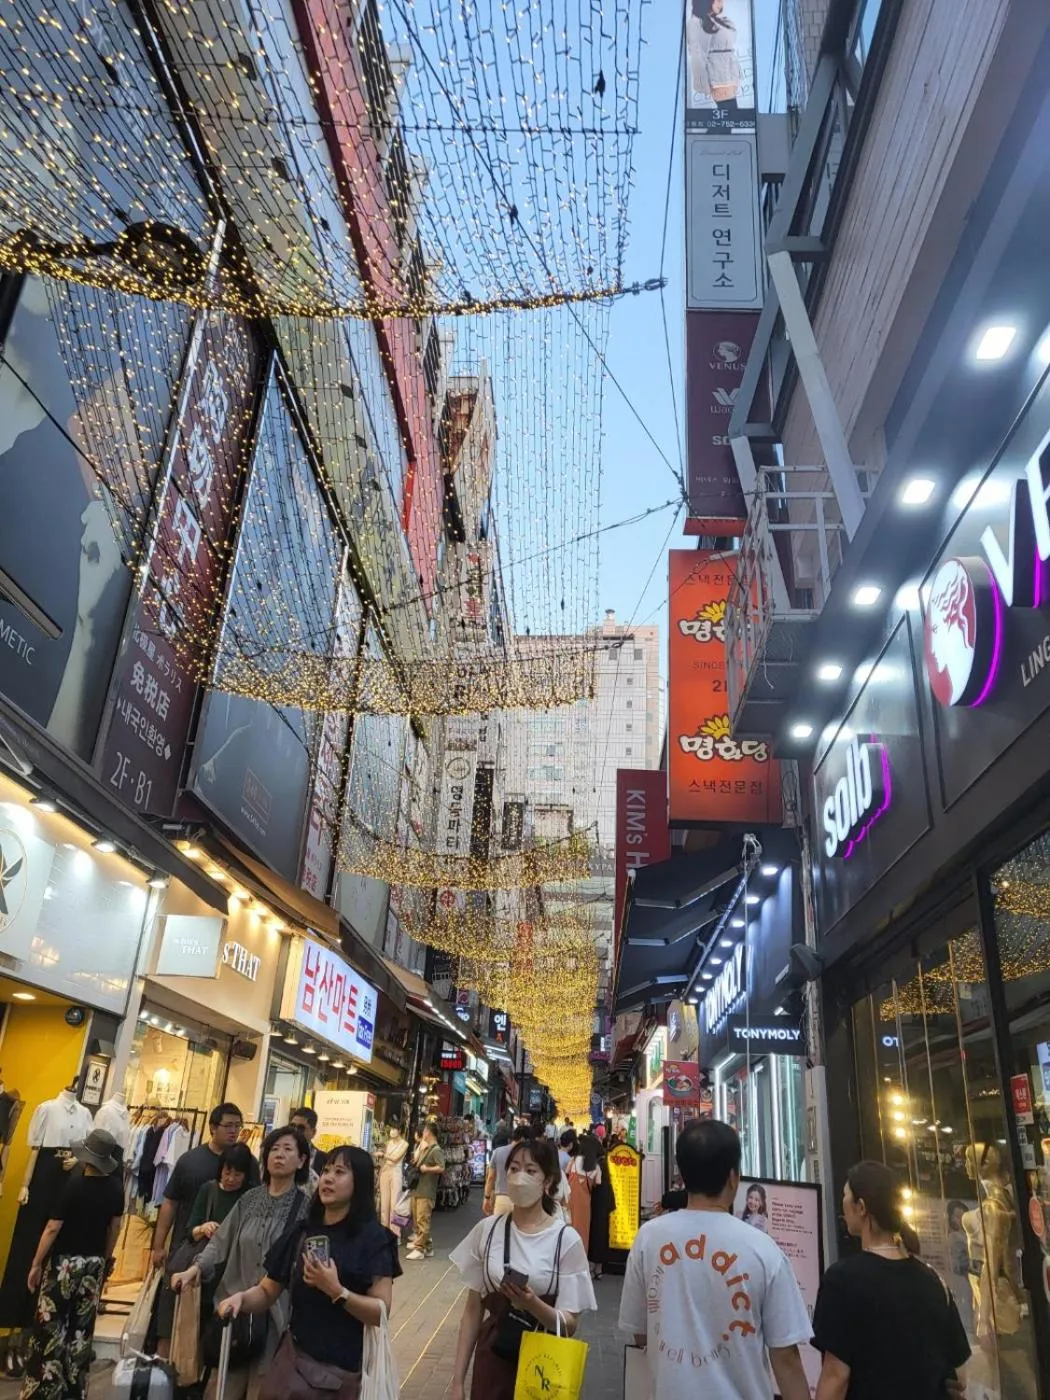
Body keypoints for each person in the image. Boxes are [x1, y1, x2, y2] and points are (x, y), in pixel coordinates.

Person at [620, 1119, 812, 1400]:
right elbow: (786, 1358)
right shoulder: (764, 1251)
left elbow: (641, 1333)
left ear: (682, 1176)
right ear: (733, 1177)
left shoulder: (648, 1238)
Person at [217, 1147, 400, 1398]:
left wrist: (337, 1291)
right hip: (293, 1364)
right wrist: (242, 1299)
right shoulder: (303, 1232)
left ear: (360, 1182)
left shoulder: (373, 1239)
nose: (328, 1178)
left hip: (342, 1373)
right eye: (325, 1171)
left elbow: (381, 1312)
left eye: (340, 1172)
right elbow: (268, 1290)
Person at [449, 1136, 597, 1400]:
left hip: (542, 1369)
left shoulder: (565, 1239)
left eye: (531, 1171)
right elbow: (473, 1310)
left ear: (548, 1181)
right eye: (514, 1169)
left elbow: (569, 1324)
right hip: (492, 1363)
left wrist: (532, 1304)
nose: (519, 1178)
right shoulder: (488, 1230)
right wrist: (458, 1381)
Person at [171, 1128, 312, 1400]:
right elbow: (220, 1242)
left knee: (263, 1391)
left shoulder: (304, 1209)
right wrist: (195, 1269)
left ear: (302, 1161)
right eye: (274, 1149)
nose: (279, 1155)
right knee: (221, 1390)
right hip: (233, 1318)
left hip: (276, 1320)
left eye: (287, 1149)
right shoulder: (249, 1200)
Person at [812, 1162, 970, 1400]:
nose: (842, 1203)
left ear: (861, 1207)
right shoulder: (933, 1281)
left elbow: (836, 1377)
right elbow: (960, 1375)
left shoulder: (842, 1280)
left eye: (846, 1196)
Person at [21, 1129, 124, 1400]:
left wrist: (36, 1262)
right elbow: (115, 1226)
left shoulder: (74, 1185)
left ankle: (43, 1390)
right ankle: (73, 1390)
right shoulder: (116, 1188)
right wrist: (105, 1256)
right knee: (81, 1329)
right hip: (93, 1264)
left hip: (64, 1264)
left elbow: (53, 1227)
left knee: (51, 1326)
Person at [150, 1102, 256, 1354]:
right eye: (228, 1126)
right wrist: (158, 1246)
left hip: (227, 1265)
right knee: (170, 1320)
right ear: (212, 1128)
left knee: (210, 1325)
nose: (233, 1131)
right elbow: (170, 1203)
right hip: (187, 1251)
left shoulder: (248, 1164)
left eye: (237, 1126)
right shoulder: (190, 1161)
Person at [687, 0, 743, 115]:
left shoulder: (719, 20)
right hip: (718, 75)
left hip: (730, 72)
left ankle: (713, 131)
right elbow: (696, 55)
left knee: (729, 116)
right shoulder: (695, 23)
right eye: (717, 1)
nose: (721, 4)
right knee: (730, 115)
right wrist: (703, 83)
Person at [407, 1121, 445, 1260]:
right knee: (417, 1219)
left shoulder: (436, 1150)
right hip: (418, 1188)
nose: (422, 1134)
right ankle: (427, 1246)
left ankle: (420, 1249)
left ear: (429, 1132)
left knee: (423, 1220)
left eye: (424, 1131)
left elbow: (441, 1167)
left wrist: (427, 1169)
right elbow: (416, 1162)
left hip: (427, 1190)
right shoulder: (425, 1148)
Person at [565, 1133, 601, 1255]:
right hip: (584, 1203)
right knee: (582, 1230)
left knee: (568, 1226)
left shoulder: (574, 1160)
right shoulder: (596, 1167)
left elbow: (566, 1173)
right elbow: (598, 1183)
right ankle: (580, 1257)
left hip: (569, 1200)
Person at [484, 1124, 530, 1220]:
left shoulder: (497, 1152)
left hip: (502, 1200)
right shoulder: (527, 1156)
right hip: (520, 1200)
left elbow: (491, 1177)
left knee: (499, 1231)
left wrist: (487, 1197)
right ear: (522, 1139)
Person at [586, 1130, 614, 1280]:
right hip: (606, 1200)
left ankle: (594, 1266)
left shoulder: (596, 1163)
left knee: (596, 1233)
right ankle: (599, 1268)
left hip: (597, 1201)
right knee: (602, 1233)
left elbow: (593, 1183)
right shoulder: (603, 1161)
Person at [377, 1124, 409, 1230]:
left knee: (395, 1204)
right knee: (384, 1204)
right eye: (391, 1129)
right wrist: (379, 1176)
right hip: (385, 1171)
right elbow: (383, 1162)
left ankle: (395, 1233)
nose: (391, 1131)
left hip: (396, 1172)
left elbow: (396, 1158)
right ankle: (384, 1229)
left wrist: (382, 1155)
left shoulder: (405, 1144)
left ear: (399, 1130)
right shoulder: (388, 1143)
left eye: (393, 1129)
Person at [290, 1106, 328, 1179]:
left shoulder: (325, 1160)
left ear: (313, 1132)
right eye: (292, 1126)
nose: (295, 1131)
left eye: (301, 1128)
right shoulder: (280, 1154)